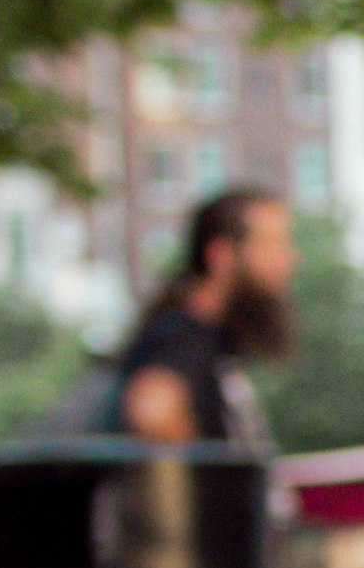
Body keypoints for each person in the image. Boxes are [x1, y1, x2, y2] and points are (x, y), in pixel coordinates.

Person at [112, 184, 295, 447]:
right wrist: (206, 482)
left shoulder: (211, 340)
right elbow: (152, 412)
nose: (288, 259)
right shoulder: (183, 336)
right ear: (221, 255)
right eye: (271, 244)